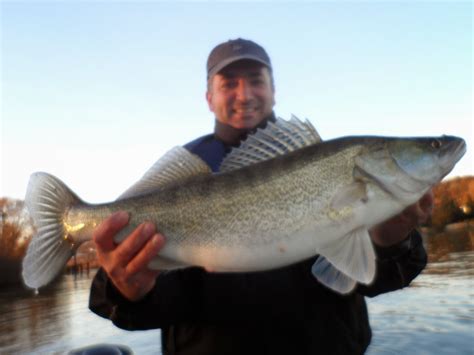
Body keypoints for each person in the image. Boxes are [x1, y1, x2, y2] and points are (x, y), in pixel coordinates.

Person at [89, 38, 431, 355]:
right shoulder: (186, 177)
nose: (244, 93)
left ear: (273, 90)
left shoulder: (327, 162)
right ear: (209, 97)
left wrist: (390, 243)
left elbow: (368, 279)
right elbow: (133, 304)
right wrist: (127, 291)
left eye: (255, 79)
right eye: (229, 84)